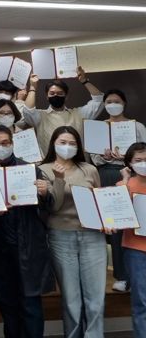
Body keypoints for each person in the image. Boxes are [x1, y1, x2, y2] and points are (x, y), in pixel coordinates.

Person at [0, 125, 55, 338]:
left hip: (27, 245)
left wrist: (44, 193)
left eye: (5, 143)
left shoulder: (29, 168)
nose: (1, 147)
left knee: (30, 303)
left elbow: (47, 207)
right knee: (6, 303)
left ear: (12, 143)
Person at [40, 126, 105, 337]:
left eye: (72, 143)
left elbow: (99, 202)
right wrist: (59, 179)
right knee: (71, 298)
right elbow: (54, 206)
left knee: (95, 298)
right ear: (53, 144)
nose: (67, 147)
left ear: (78, 146)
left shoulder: (89, 169)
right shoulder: (44, 169)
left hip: (92, 235)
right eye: (62, 142)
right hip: (60, 235)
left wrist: (107, 220)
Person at [91, 89, 146, 292]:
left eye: (117, 101)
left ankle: (137, 274)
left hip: (133, 174)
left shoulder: (136, 126)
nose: (113, 104)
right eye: (109, 101)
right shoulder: (97, 128)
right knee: (115, 223)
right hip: (106, 173)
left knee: (137, 221)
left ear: (124, 103)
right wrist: (105, 157)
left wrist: (128, 157)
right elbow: (93, 157)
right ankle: (121, 276)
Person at [22, 67, 104, 154]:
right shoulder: (40, 116)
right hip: (50, 165)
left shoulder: (79, 113)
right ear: (47, 96)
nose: (56, 95)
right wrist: (32, 87)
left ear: (66, 97)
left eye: (60, 93)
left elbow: (99, 100)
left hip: (78, 164)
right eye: (52, 93)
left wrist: (84, 81)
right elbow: (28, 111)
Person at [117, 142, 146, 336]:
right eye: (138, 160)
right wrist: (126, 181)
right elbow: (118, 214)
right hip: (135, 249)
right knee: (141, 299)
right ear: (129, 163)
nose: (143, 164)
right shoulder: (123, 186)